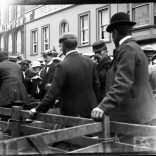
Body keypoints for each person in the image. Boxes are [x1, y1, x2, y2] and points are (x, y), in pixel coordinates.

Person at [91, 12, 156, 124]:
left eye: (112, 34)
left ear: (115, 32)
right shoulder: (135, 47)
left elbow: (123, 82)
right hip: (138, 114)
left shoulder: (127, 49)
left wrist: (103, 106)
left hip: (130, 116)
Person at [29, 32, 100, 118]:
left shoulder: (62, 66)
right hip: (91, 109)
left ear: (62, 46)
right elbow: (96, 85)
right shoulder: (89, 62)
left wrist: (37, 109)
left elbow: (53, 92)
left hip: (72, 112)